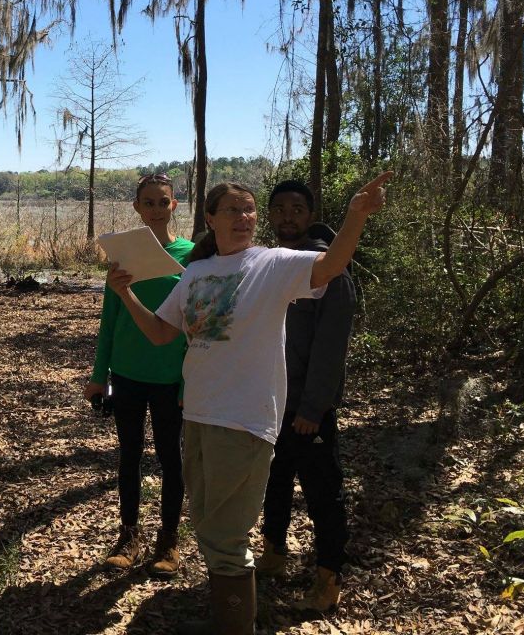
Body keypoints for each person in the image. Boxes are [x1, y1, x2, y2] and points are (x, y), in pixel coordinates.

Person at [105, 172, 391, 635]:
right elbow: (159, 333)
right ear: (211, 219)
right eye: (233, 210)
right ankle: (228, 616)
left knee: (226, 537)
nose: (244, 217)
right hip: (198, 414)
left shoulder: (273, 263)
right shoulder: (196, 272)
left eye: (249, 209)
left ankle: (236, 625)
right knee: (207, 525)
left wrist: (356, 217)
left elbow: (331, 265)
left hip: (244, 420)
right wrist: (125, 292)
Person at [84, 172, 193, 577]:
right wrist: (99, 375)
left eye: (163, 202)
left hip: (170, 376)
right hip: (127, 372)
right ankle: (128, 536)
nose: (156, 209)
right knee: (129, 456)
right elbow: (109, 321)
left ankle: (169, 540)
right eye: (148, 202)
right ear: (137, 207)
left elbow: (195, 325)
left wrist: (188, 381)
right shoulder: (123, 255)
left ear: (174, 205)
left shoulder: (191, 256)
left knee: (170, 458)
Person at [258, 180, 355, 613]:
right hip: (271, 401)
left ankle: (328, 578)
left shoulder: (329, 269)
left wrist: (314, 407)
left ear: (310, 214)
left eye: (296, 209)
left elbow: (331, 347)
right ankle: (273, 552)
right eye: (279, 209)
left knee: (322, 492)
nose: (287, 217)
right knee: (274, 481)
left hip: (307, 409)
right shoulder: (272, 264)